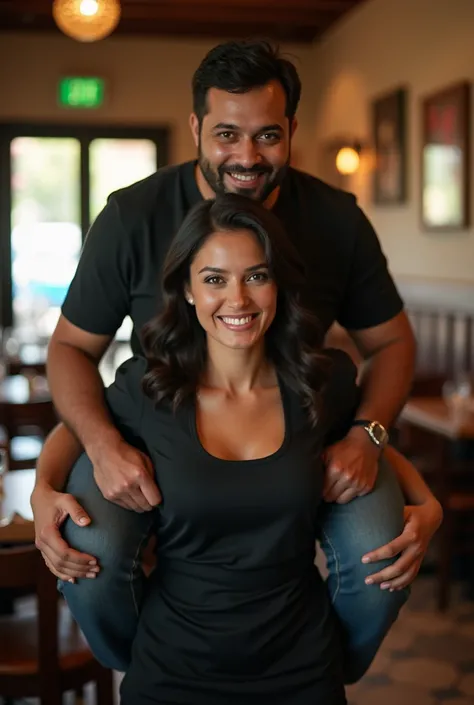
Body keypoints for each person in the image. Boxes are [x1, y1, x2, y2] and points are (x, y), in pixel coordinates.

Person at [32, 39, 424, 682]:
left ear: (293, 129)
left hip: (305, 424)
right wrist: (98, 448)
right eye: (227, 134)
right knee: (92, 551)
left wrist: (369, 435)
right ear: (195, 128)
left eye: (268, 135)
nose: (247, 155)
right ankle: (149, 666)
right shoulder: (132, 217)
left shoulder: (335, 218)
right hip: (163, 434)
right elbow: (72, 349)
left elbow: (393, 344)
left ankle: (331, 670)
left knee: (380, 555)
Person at [47, 195, 441, 705]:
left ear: (278, 284)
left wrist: (428, 506)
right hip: (172, 672)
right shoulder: (151, 389)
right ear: (187, 290)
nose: (238, 299)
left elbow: (372, 448)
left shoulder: (321, 385)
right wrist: (41, 489)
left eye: (256, 276)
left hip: (302, 670)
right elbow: (77, 430)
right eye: (214, 279)